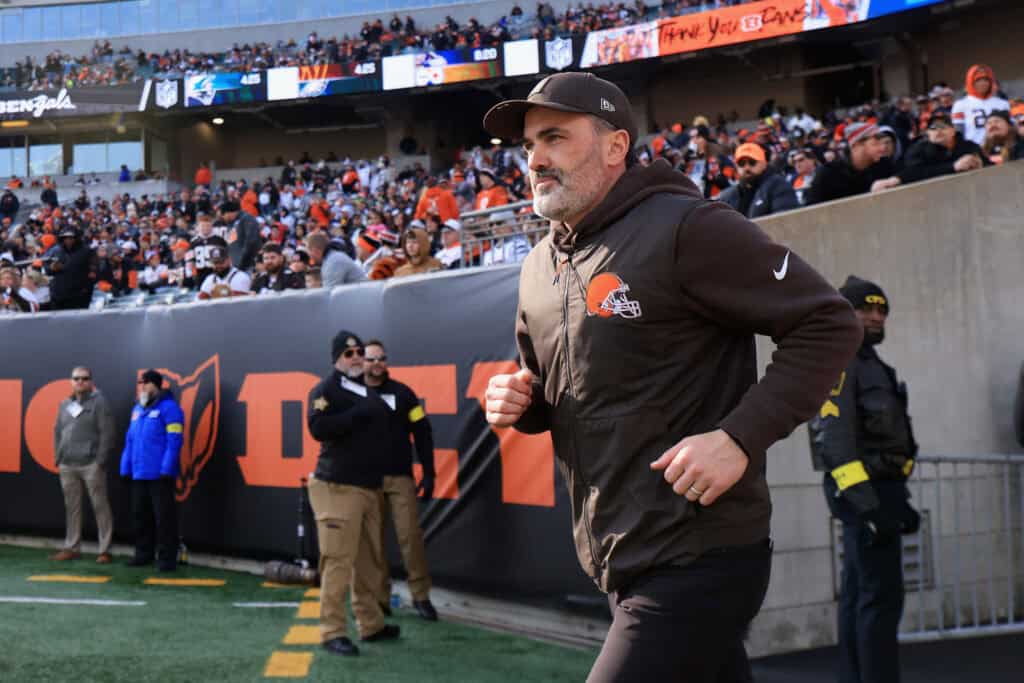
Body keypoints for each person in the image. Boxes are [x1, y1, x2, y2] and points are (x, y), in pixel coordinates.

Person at [481, 71, 861, 681]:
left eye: (554, 137)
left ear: (614, 146)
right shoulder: (537, 267)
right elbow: (555, 390)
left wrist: (738, 437)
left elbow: (828, 323)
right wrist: (522, 403)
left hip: (700, 551)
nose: (536, 159)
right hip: (620, 550)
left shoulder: (689, 227)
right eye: (528, 145)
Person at [808, 276, 920, 683]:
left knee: (860, 595)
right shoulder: (841, 361)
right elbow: (834, 442)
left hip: (882, 492)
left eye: (882, 309)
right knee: (880, 600)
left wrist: (898, 499)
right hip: (865, 496)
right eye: (865, 308)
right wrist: (868, 507)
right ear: (845, 311)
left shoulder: (871, 364)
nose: (876, 315)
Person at [307, 331, 401, 656]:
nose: (357, 357)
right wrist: (353, 417)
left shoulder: (365, 388)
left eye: (359, 351)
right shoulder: (326, 388)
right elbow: (316, 426)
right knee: (337, 561)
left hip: (369, 486)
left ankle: (370, 624)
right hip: (338, 486)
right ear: (336, 358)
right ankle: (331, 630)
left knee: (368, 561)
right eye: (349, 354)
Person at [361, 339, 438, 621]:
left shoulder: (404, 394)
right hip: (365, 482)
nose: (376, 364)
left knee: (410, 538)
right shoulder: (353, 394)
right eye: (371, 359)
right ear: (362, 362)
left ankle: (421, 597)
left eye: (381, 358)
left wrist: (429, 473)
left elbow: (422, 432)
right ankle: (379, 600)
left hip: (400, 479)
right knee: (373, 544)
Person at [120, 370, 185, 572]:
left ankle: (167, 559)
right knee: (140, 515)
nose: (143, 387)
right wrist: (125, 466)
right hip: (139, 473)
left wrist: (167, 468)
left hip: (160, 475)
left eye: (147, 384)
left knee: (163, 517)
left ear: (157, 386)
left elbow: (174, 441)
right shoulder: (137, 410)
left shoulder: (170, 409)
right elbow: (130, 440)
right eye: (141, 383)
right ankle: (143, 554)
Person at [51, 367, 117, 563]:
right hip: (67, 465)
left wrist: (100, 462)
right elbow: (57, 431)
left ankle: (104, 550)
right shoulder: (65, 404)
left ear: (91, 381)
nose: (80, 382)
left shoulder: (100, 403)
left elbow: (108, 433)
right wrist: (59, 457)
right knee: (72, 507)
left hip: (91, 465)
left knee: (100, 506)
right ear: (71, 381)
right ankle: (72, 547)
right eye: (76, 378)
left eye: (84, 378)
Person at [871, 111, 986, 192]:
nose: (938, 131)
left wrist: (981, 164)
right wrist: (953, 166)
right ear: (928, 133)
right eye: (933, 128)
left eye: (943, 126)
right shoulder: (918, 150)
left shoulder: (969, 146)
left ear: (953, 130)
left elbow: (988, 164)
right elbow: (915, 172)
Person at [804, 123, 888, 205]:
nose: (882, 148)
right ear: (855, 145)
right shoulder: (828, 174)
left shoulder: (882, 165)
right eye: (875, 144)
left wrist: (893, 180)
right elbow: (809, 211)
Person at [718, 142, 798, 218]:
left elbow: (785, 220)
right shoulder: (728, 196)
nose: (747, 167)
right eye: (741, 164)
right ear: (736, 167)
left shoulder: (779, 185)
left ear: (764, 164)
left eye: (752, 162)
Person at [952, 64, 1010, 146]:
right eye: (978, 80)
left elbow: (1010, 129)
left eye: (986, 80)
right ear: (970, 81)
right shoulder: (960, 105)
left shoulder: (1003, 104)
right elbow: (958, 132)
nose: (982, 83)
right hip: (973, 150)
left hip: (1001, 148)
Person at [45, 227, 97, 310]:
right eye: (65, 238)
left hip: (79, 294)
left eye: (71, 238)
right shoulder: (54, 251)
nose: (68, 240)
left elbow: (94, 269)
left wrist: (87, 287)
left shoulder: (86, 251)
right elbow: (46, 269)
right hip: (59, 294)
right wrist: (52, 268)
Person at [188, 212, 229, 288]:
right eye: (203, 226)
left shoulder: (219, 240)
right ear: (198, 227)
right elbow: (190, 261)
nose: (205, 228)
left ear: (211, 227)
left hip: (216, 272)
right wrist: (191, 275)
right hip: (200, 274)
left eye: (207, 226)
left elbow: (226, 257)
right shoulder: (193, 242)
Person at [220, 200, 261, 272]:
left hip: (247, 266)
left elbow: (251, 241)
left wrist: (242, 262)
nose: (223, 218)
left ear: (228, 213)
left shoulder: (247, 219)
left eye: (223, 215)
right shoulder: (232, 223)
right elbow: (231, 243)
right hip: (236, 266)